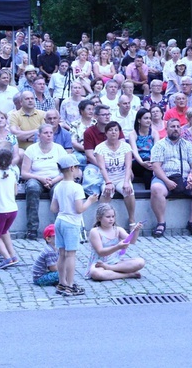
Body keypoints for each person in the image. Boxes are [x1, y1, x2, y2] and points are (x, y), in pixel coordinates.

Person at [149, 118, 192, 237]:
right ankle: (161, 223)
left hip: (185, 178)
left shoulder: (188, 145)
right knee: (156, 188)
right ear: (166, 129)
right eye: (172, 127)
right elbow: (156, 166)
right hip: (164, 178)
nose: (176, 129)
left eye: (178, 126)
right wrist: (167, 181)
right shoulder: (159, 145)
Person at [50, 155, 99, 296]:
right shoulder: (77, 187)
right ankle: (70, 285)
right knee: (71, 255)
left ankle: (62, 282)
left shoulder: (58, 186)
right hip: (71, 223)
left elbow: (53, 208)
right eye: (78, 167)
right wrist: (90, 201)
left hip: (59, 221)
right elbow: (79, 209)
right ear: (72, 168)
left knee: (62, 254)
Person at [22, 124, 67, 240]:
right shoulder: (31, 149)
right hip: (36, 178)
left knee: (58, 189)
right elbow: (24, 173)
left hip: (55, 178)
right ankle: (32, 229)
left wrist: (53, 181)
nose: (49, 135)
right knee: (32, 187)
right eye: (46, 133)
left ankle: (59, 228)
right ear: (39, 135)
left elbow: (66, 171)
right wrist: (41, 178)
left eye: (51, 133)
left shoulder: (59, 149)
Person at [86, 204, 145, 281]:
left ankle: (110, 268)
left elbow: (132, 241)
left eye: (113, 216)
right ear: (99, 218)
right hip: (99, 263)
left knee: (140, 262)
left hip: (115, 263)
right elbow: (100, 252)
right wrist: (118, 247)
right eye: (108, 217)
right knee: (96, 274)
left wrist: (136, 230)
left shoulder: (118, 229)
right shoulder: (95, 231)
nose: (111, 219)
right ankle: (128, 275)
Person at [130, 109, 156, 188]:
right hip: (137, 162)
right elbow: (134, 152)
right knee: (147, 166)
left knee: (147, 172)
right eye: (146, 118)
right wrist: (142, 163)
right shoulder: (133, 134)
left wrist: (150, 163)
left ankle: (149, 190)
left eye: (150, 118)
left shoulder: (154, 133)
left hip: (150, 161)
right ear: (139, 120)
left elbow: (155, 151)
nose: (148, 120)